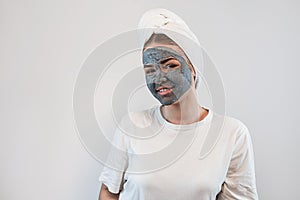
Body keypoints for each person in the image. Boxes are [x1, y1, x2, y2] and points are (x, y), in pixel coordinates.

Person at [98, 8, 258, 200]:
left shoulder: (232, 134)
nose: (159, 77)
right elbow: (109, 191)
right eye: (149, 70)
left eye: (170, 65)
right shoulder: (131, 125)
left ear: (193, 69)